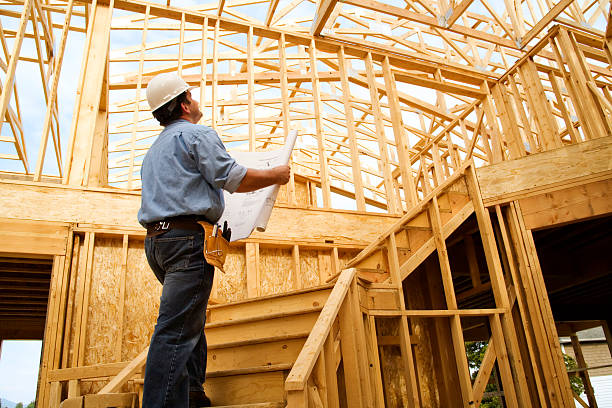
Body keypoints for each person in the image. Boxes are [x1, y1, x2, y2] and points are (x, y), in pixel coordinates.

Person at [138, 72, 290, 408]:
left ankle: (192, 393)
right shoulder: (196, 135)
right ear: (184, 102)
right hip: (186, 242)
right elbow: (235, 178)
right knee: (175, 328)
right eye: (190, 94)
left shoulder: (154, 150)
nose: (194, 98)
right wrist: (276, 174)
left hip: (158, 243)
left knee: (188, 317)